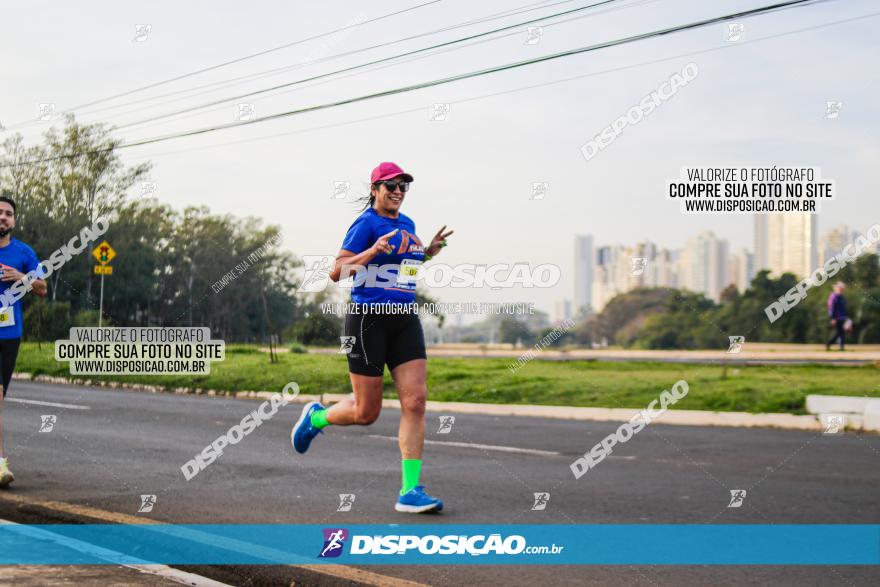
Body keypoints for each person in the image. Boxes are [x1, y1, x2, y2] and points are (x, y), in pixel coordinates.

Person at [291, 162, 453, 513]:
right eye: (390, 185)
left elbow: (404, 268)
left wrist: (428, 253)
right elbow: (338, 272)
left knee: (416, 402)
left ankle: (410, 490)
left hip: (404, 318)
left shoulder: (407, 224)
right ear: (375, 189)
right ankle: (317, 418)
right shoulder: (365, 223)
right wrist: (373, 251)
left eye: (403, 186)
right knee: (367, 413)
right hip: (367, 320)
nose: (397, 191)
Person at [0, 196, 48, 487]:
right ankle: (1, 463)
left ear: (14, 221)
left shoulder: (24, 252)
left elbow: (42, 288)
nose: (3, 217)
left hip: (9, 336)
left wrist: (21, 276)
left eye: (8, 214)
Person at [826, 281, 848, 351]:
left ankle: (841, 346)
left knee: (841, 332)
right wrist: (833, 318)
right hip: (836, 318)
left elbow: (844, 308)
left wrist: (846, 318)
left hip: (842, 317)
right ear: (838, 288)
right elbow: (831, 307)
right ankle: (829, 343)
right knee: (839, 332)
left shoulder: (842, 297)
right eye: (842, 288)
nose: (843, 289)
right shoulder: (834, 296)